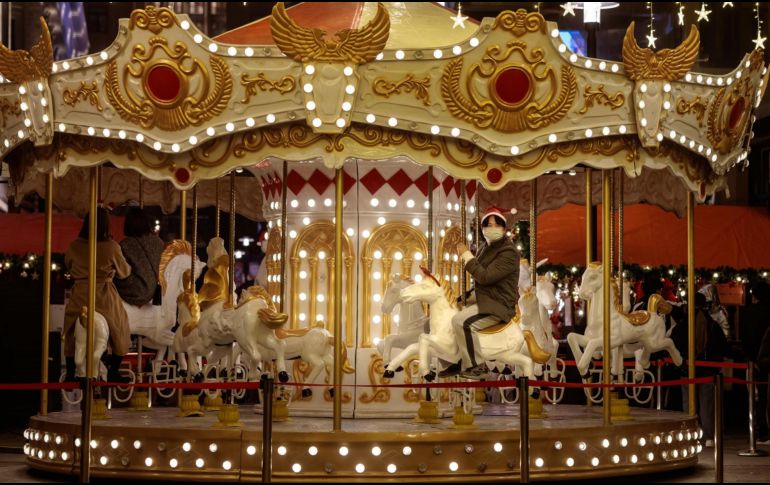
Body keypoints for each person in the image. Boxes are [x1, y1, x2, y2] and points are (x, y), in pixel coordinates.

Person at [446, 206, 520, 380]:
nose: (491, 229)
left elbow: (485, 277)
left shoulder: (508, 252)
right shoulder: (484, 248)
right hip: (483, 299)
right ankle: (455, 360)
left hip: (497, 304)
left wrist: (466, 256)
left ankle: (476, 366)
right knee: (445, 316)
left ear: (503, 228)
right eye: (487, 225)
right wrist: (461, 298)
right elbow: (478, 282)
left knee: (460, 322)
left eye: (496, 225)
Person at [63, 208, 132, 382]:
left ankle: (71, 371)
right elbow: (124, 272)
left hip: (80, 294)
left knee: (71, 328)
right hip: (104, 294)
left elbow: (69, 266)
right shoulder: (112, 247)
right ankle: (114, 369)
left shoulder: (73, 246)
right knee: (119, 325)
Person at [680, 291, 729, 447]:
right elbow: (723, 347)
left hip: (687, 370)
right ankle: (708, 436)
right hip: (708, 371)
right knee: (707, 406)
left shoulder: (683, 324)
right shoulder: (712, 325)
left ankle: (690, 433)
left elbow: (674, 343)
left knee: (688, 405)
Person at [114, 207, 165, 307]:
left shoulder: (126, 244)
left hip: (137, 291)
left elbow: (122, 270)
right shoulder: (159, 242)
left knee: (110, 281)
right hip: (153, 289)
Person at [741, 282, 770, 442]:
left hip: (754, 360)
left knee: (756, 396)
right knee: (764, 397)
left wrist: (750, 357)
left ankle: (758, 430)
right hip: (765, 358)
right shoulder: (767, 312)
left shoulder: (749, 313)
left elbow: (747, 337)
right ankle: (763, 429)